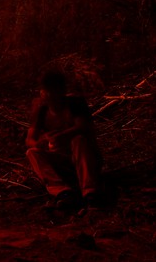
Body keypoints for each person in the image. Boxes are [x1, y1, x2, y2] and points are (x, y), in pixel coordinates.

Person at [25, 70, 103, 211]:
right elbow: (30, 139)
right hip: (61, 160)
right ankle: (63, 192)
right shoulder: (42, 110)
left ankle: (90, 193)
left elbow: (83, 127)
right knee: (32, 152)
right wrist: (39, 143)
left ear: (62, 90)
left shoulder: (75, 103)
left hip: (84, 159)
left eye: (54, 91)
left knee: (78, 140)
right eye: (47, 91)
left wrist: (62, 136)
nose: (50, 95)